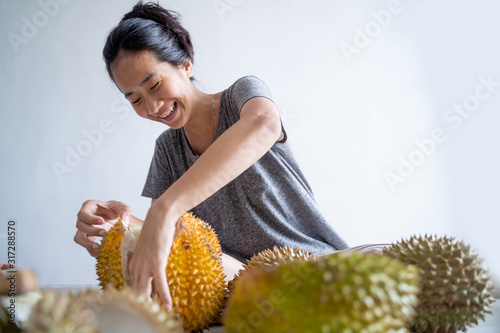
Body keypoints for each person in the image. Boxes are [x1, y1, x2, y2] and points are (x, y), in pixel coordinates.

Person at [74, 1, 348, 310]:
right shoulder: (168, 149)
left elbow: (264, 125)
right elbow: (170, 236)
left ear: (185, 64)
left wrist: (165, 208)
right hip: (245, 285)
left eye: (154, 84)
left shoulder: (242, 96)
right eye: (136, 99)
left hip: (318, 267)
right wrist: (118, 225)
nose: (151, 107)